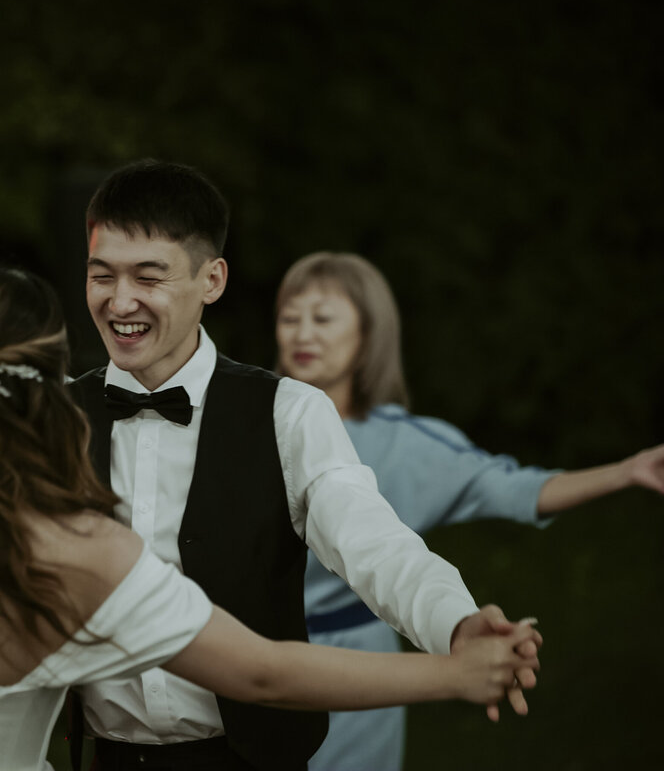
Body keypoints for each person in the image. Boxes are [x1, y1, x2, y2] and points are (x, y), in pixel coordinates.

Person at [0, 161, 542, 771]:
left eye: (149, 276)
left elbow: (376, 546)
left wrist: (453, 626)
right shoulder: (42, 411)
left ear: (213, 280)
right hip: (100, 754)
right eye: (100, 273)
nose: (120, 301)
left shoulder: (286, 410)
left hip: (246, 759)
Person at [274, 250, 664, 771]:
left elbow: (515, 488)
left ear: (369, 335)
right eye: (289, 317)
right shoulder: (246, 422)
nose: (303, 334)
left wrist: (626, 471)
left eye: (322, 318)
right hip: (255, 646)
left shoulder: (410, 444)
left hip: (359, 658)